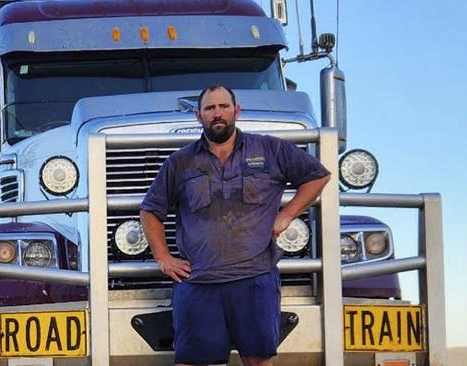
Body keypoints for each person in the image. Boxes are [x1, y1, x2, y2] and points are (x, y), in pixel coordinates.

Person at [140, 85, 330, 366]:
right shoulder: (180, 162)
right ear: (198, 116)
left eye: (223, 107)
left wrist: (288, 214)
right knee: (191, 362)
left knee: (257, 360)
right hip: (199, 281)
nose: (217, 114)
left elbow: (318, 176)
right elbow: (150, 210)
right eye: (209, 108)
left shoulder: (269, 149)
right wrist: (163, 257)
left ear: (236, 111)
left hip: (254, 278)